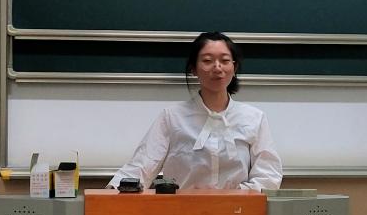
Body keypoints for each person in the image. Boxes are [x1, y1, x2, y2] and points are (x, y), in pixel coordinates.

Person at [108, 31, 283, 191]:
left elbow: (268, 176)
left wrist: (232, 195)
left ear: (234, 67)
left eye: (225, 60)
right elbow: (141, 166)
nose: (217, 68)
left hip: (238, 210)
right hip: (182, 210)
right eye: (207, 61)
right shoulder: (172, 117)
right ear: (193, 69)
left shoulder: (254, 118)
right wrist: (113, 190)